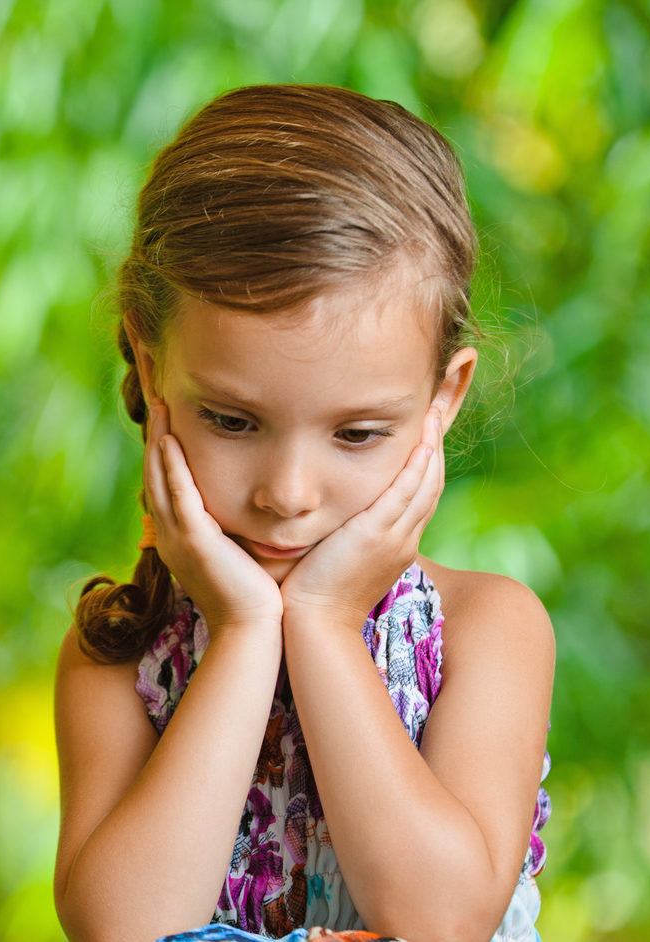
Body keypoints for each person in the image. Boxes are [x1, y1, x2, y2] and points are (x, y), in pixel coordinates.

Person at [51, 85, 555, 942]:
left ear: (444, 399)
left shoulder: (487, 630)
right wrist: (246, 630)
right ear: (149, 362)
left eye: (357, 433)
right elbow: (122, 928)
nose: (287, 492)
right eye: (232, 420)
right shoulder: (122, 652)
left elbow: (441, 920)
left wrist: (322, 622)